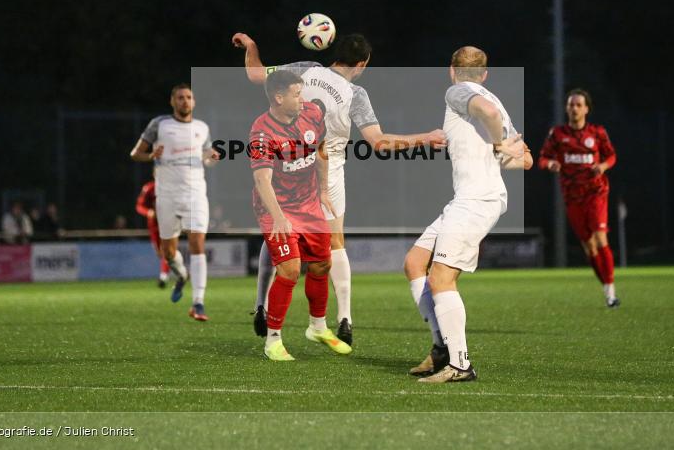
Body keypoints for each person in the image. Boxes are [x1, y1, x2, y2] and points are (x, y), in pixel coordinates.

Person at [233, 31, 446, 346]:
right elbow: (379, 143)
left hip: (285, 168)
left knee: (278, 234)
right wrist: (424, 138)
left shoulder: (304, 68)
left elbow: (254, 74)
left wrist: (251, 46)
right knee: (335, 243)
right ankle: (344, 318)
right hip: (327, 171)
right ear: (361, 64)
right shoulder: (355, 93)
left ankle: (261, 305)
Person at [402, 47, 531, 382]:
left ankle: (460, 365)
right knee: (415, 262)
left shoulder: (459, 90)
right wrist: (500, 147)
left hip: (476, 200)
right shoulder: (496, 100)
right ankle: (441, 348)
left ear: (451, 70)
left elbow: (486, 112)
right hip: (471, 198)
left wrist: (497, 143)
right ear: (485, 73)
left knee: (441, 277)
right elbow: (525, 160)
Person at [248, 69, 351, 360]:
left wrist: (323, 191)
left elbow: (320, 149)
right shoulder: (261, 132)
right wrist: (279, 217)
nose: (302, 98)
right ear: (279, 98)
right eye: (296, 94)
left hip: (307, 202)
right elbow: (262, 181)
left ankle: (317, 327)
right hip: (275, 207)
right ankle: (273, 340)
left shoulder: (312, 113)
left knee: (321, 265)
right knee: (291, 269)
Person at [130, 83, 219, 321]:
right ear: (172, 101)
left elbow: (207, 157)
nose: (185, 101)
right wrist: (150, 155)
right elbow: (135, 153)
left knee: (197, 244)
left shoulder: (202, 128)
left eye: (189, 97)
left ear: (194, 102)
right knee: (168, 252)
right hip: (167, 196)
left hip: (196, 194)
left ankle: (198, 303)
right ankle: (180, 275)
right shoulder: (159, 124)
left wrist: (212, 157)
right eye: (180, 98)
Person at [538, 89, 619, 307]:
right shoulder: (557, 134)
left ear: (586, 109)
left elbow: (611, 156)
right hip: (572, 196)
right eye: (570, 104)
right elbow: (542, 158)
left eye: (578, 105)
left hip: (596, 192)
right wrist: (551, 164)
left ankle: (611, 292)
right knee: (589, 247)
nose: (573, 108)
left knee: (601, 239)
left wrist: (602, 166)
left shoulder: (597, 133)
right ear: (566, 108)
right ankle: (606, 287)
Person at [136, 177, 171, 287]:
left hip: (168, 221)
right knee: (160, 253)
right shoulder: (149, 188)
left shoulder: (171, 188)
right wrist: (148, 212)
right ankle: (180, 271)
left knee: (167, 250)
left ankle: (163, 277)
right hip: (154, 224)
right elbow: (139, 206)